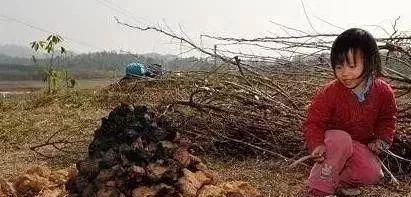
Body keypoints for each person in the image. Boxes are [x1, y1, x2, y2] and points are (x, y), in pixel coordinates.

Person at [303, 28, 397, 197]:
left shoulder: (384, 92)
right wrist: (316, 144)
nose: (344, 73)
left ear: (369, 62)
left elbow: (387, 119)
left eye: (352, 66)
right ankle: (320, 188)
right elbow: (314, 122)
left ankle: (333, 180)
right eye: (339, 67)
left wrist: (382, 140)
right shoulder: (330, 92)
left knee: (372, 174)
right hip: (333, 144)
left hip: (358, 146)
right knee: (341, 139)